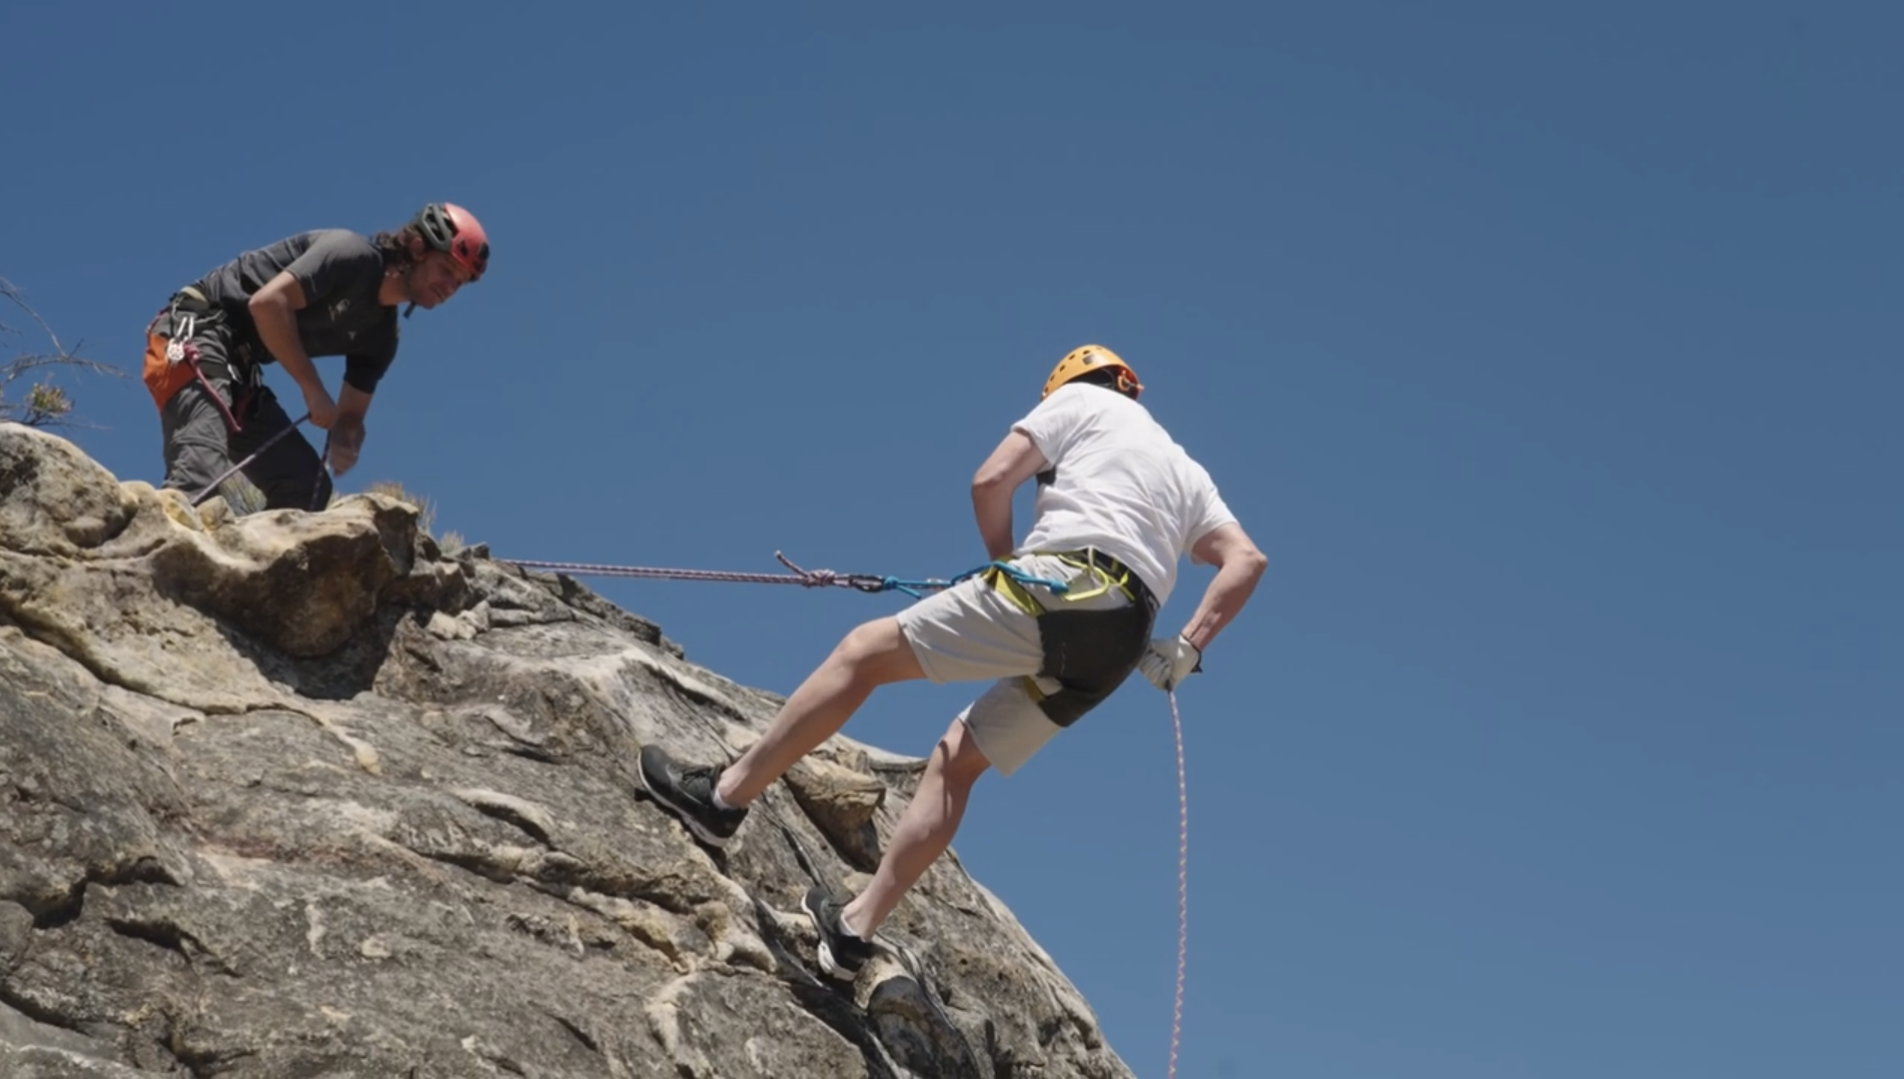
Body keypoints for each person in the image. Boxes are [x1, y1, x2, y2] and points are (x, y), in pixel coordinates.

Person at [639, 344, 1268, 981]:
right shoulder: (1186, 469)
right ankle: (854, 929)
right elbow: (1246, 561)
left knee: (862, 655)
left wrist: (1008, 562)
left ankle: (720, 800)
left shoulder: (1079, 401)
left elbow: (991, 480)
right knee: (956, 761)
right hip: (1122, 639)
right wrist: (1187, 647)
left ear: (1072, 383)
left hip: (1062, 583)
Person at [140, 202, 490, 509]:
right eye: (447, 270)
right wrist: (312, 387)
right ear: (417, 248)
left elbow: (350, 416)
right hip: (196, 328)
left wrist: (346, 437)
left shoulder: (382, 336)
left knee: (307, 489)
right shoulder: (350, 255)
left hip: (239, 371)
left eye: (459, 282)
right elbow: (267, 304)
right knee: (199, 482)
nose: (449, 287)